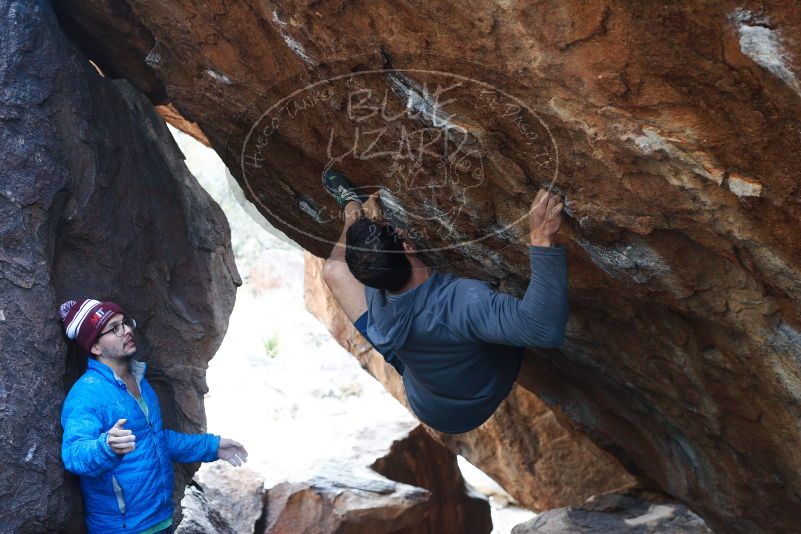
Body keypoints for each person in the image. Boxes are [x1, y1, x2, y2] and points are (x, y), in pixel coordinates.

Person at [322, 169, 569, 434]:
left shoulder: (379, 298)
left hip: (423, 390)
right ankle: (355, 214)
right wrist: (541, 239)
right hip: (471, 405)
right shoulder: (459, 302)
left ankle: (352, 209)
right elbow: (542, 329)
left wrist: (362, 228)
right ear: (408, 247)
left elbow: (357, 262)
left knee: (333, 271)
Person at [59, 298, 248, 533]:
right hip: (124, 528)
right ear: (95, 347)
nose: (126, 330)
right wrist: (105, 446)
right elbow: (73, 455)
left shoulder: (140, 382)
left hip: (161, 518)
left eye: (125, 323)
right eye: (114, 328)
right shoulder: (86, 394)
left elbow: (156, 440)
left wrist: (212, 446)